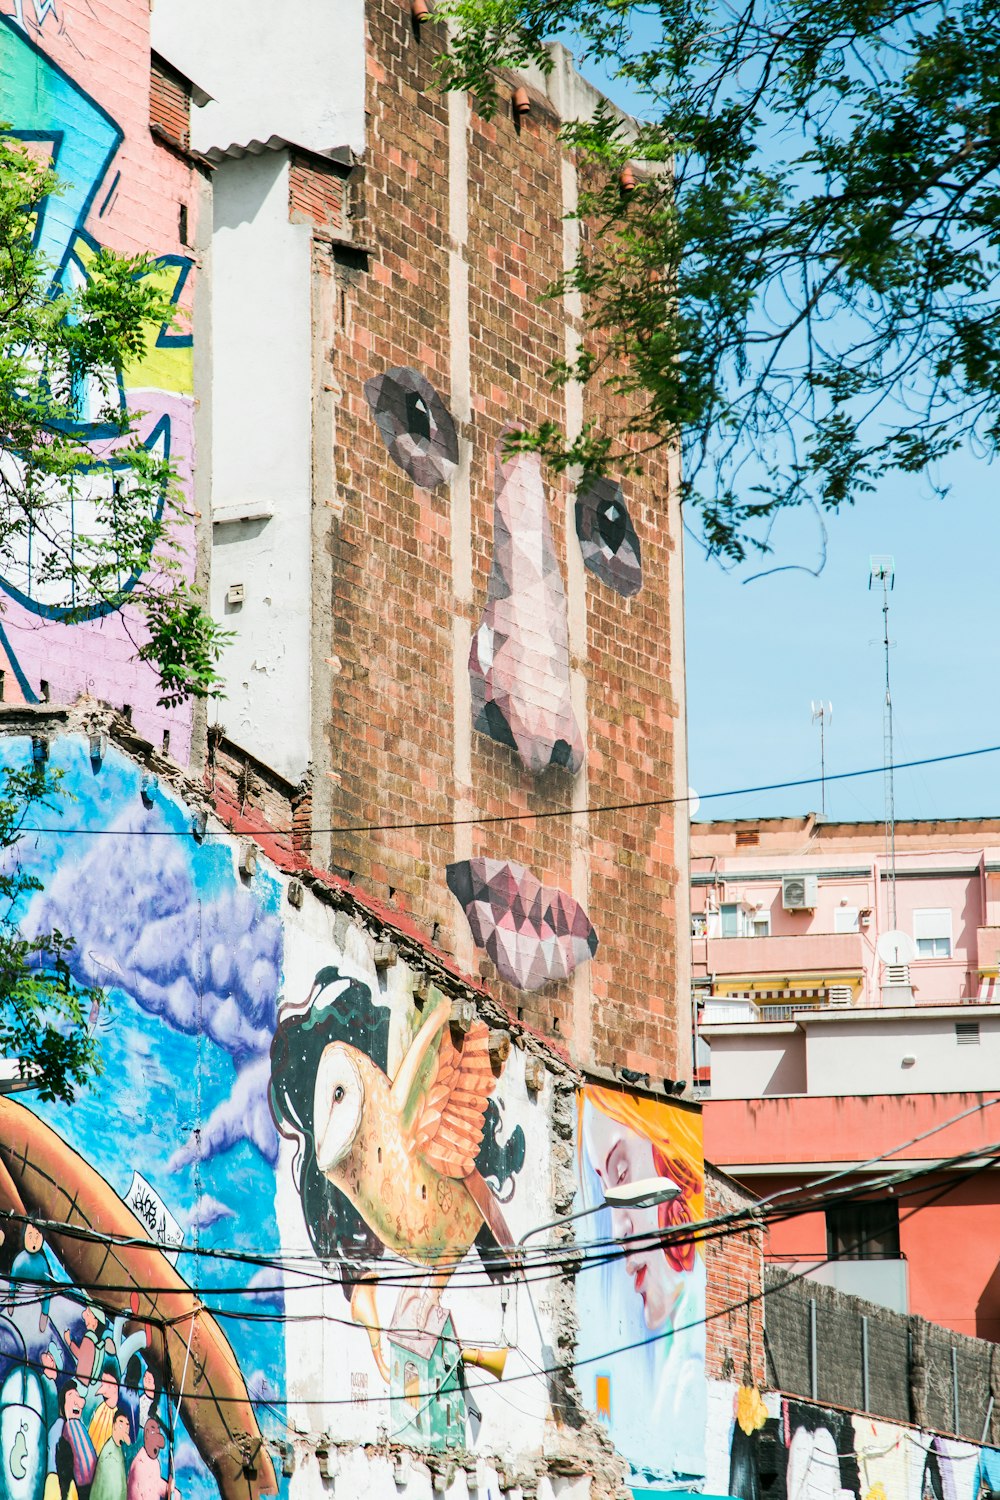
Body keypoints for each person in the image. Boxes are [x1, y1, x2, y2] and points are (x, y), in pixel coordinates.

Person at [8, 1223, 57, 1333]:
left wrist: (44, 1314)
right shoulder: (19, 1261)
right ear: (24, 1236)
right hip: (20, 1305)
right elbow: (12, 1284)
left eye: (37, 1237)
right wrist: (11, 1302)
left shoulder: (43, 1264)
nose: (33, 1241)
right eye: (30, 1236)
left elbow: (47, 1290)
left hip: (36, 1305)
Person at [56, 1382, 98, 1500]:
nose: (76, 1401)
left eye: (76, 1396)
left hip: (91, 1483)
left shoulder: (80, 1426)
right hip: (80, 1485)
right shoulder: (68, 1428)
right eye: (70, 1396)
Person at [127, 1416, 177, 1500]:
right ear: (147, 1434)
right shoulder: (140, 1465)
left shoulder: (154, 1462)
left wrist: (171, 1491)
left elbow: (155, 1484)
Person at [90, 1412, 132, 1500]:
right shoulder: (110, 1456)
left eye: (127, 1424)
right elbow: (112, 1492)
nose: (125, 1427)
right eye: (121, 1422)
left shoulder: (118, 1449)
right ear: (114, 1425)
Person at [88, 1370, 120, 1455]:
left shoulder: (119, 1416)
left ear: (116, 1387)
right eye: (103, 1384)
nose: (103, 1387)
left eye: (109, 1385)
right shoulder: (100, 1410)